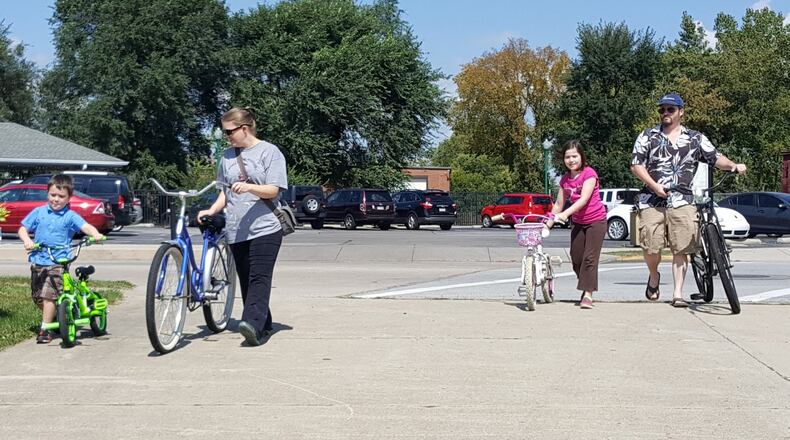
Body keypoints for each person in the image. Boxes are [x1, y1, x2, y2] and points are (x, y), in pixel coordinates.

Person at [630, 93, 746, 307]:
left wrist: (733, 166)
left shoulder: (695, 138)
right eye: (662, 109)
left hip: (683, 200)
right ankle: (654, 276)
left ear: (681, 112)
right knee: (651, 247)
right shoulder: (648, 136)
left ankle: (678, 294)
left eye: (670, 109)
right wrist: (654, 186)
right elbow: (636, 165)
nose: (665, 113)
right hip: (651, 200)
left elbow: (715, 157)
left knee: (681, 248)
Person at [198, 107, 288, 346]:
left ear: (245, 128)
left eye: (230, 131)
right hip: (237, 228)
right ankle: (263, 324)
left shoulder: (270, 152)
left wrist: (249, 187)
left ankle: (251, 324)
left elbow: (274, 189)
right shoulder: (227, 156)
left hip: (266, 226)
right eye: (224, 132)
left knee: (259, 276)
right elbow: (224, 192)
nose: (227, 136)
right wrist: (211, 210)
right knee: (247, 278)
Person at [18, 174, 105, 344]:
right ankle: (57, 317)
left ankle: (45, 330)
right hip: (38, 260)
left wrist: (95, 234)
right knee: (38, 297)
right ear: (47, 193)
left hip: (58, 262)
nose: (56, 199)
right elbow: (23, 228)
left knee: (48, 296)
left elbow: (85, 226)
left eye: (61, 196)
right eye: (53, 195)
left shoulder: (70, 216)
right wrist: (27, 240)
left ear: (69, 198)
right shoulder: (39, 212)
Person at [545, 140, 607, 309]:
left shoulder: (589, 174)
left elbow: (584, 199)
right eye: (567, 157)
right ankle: (586, 283)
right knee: (576, 258)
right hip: (578, 223)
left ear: (581, 156)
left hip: (596, 221)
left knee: (589, 258)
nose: (571, 160)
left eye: (574, 156)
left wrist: (566, 214)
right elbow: (558, 204)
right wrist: (548, 224)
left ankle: (588, 294)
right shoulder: (565, 179)